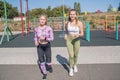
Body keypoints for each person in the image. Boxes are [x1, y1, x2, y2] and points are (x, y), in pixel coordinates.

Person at [64, 9, 84, 76]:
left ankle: (75, 65)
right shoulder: (67, 22)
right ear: (69, 15)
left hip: (77, 40)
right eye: (70, 14)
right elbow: (66, 31)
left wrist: (78, 35)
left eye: (73, 14)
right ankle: (70, 69)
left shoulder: (79, 23)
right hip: (69, 40)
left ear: (76, 15)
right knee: (71, 55)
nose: (72, 15)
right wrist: (66, 35)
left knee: (75, 55)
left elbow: (82, 33)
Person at [34, 14, 54, 79]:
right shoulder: (36, 29)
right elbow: (35, 37)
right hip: (40, 46)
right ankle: (44, 73)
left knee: (48, 60)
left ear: (45, 21)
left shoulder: (49, 28)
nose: (42, 20)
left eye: (43, 19)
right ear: (39, 20)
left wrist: (45, 38)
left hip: (47, 46)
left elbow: (52, 38)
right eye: (41, 19)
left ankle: (49, 66)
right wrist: (36, 41)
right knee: (41, 60)